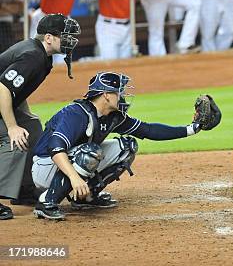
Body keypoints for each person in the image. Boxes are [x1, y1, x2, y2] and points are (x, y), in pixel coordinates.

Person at [31, 72, 221, 220]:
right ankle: (47, 202)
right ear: (105, 95)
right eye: (118, 92)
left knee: (127, 146)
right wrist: (74, 177)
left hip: (70, 159)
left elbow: (149, 130)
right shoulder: (77, 113)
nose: (122, 96)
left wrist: (192, 129)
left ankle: (86, 198)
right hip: (46, 166)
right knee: (90, 153)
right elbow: (55, 148)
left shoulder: (113, 117)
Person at [0, 13, 80, 221]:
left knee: (32, 126)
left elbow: (16, 90)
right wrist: (12, 126)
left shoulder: (41, 54)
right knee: (17, 137)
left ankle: (23, 189)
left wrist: (22, 116)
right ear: (49, 38)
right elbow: (3, 89)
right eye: (65, 35)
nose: (70, 40)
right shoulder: (32, 56)